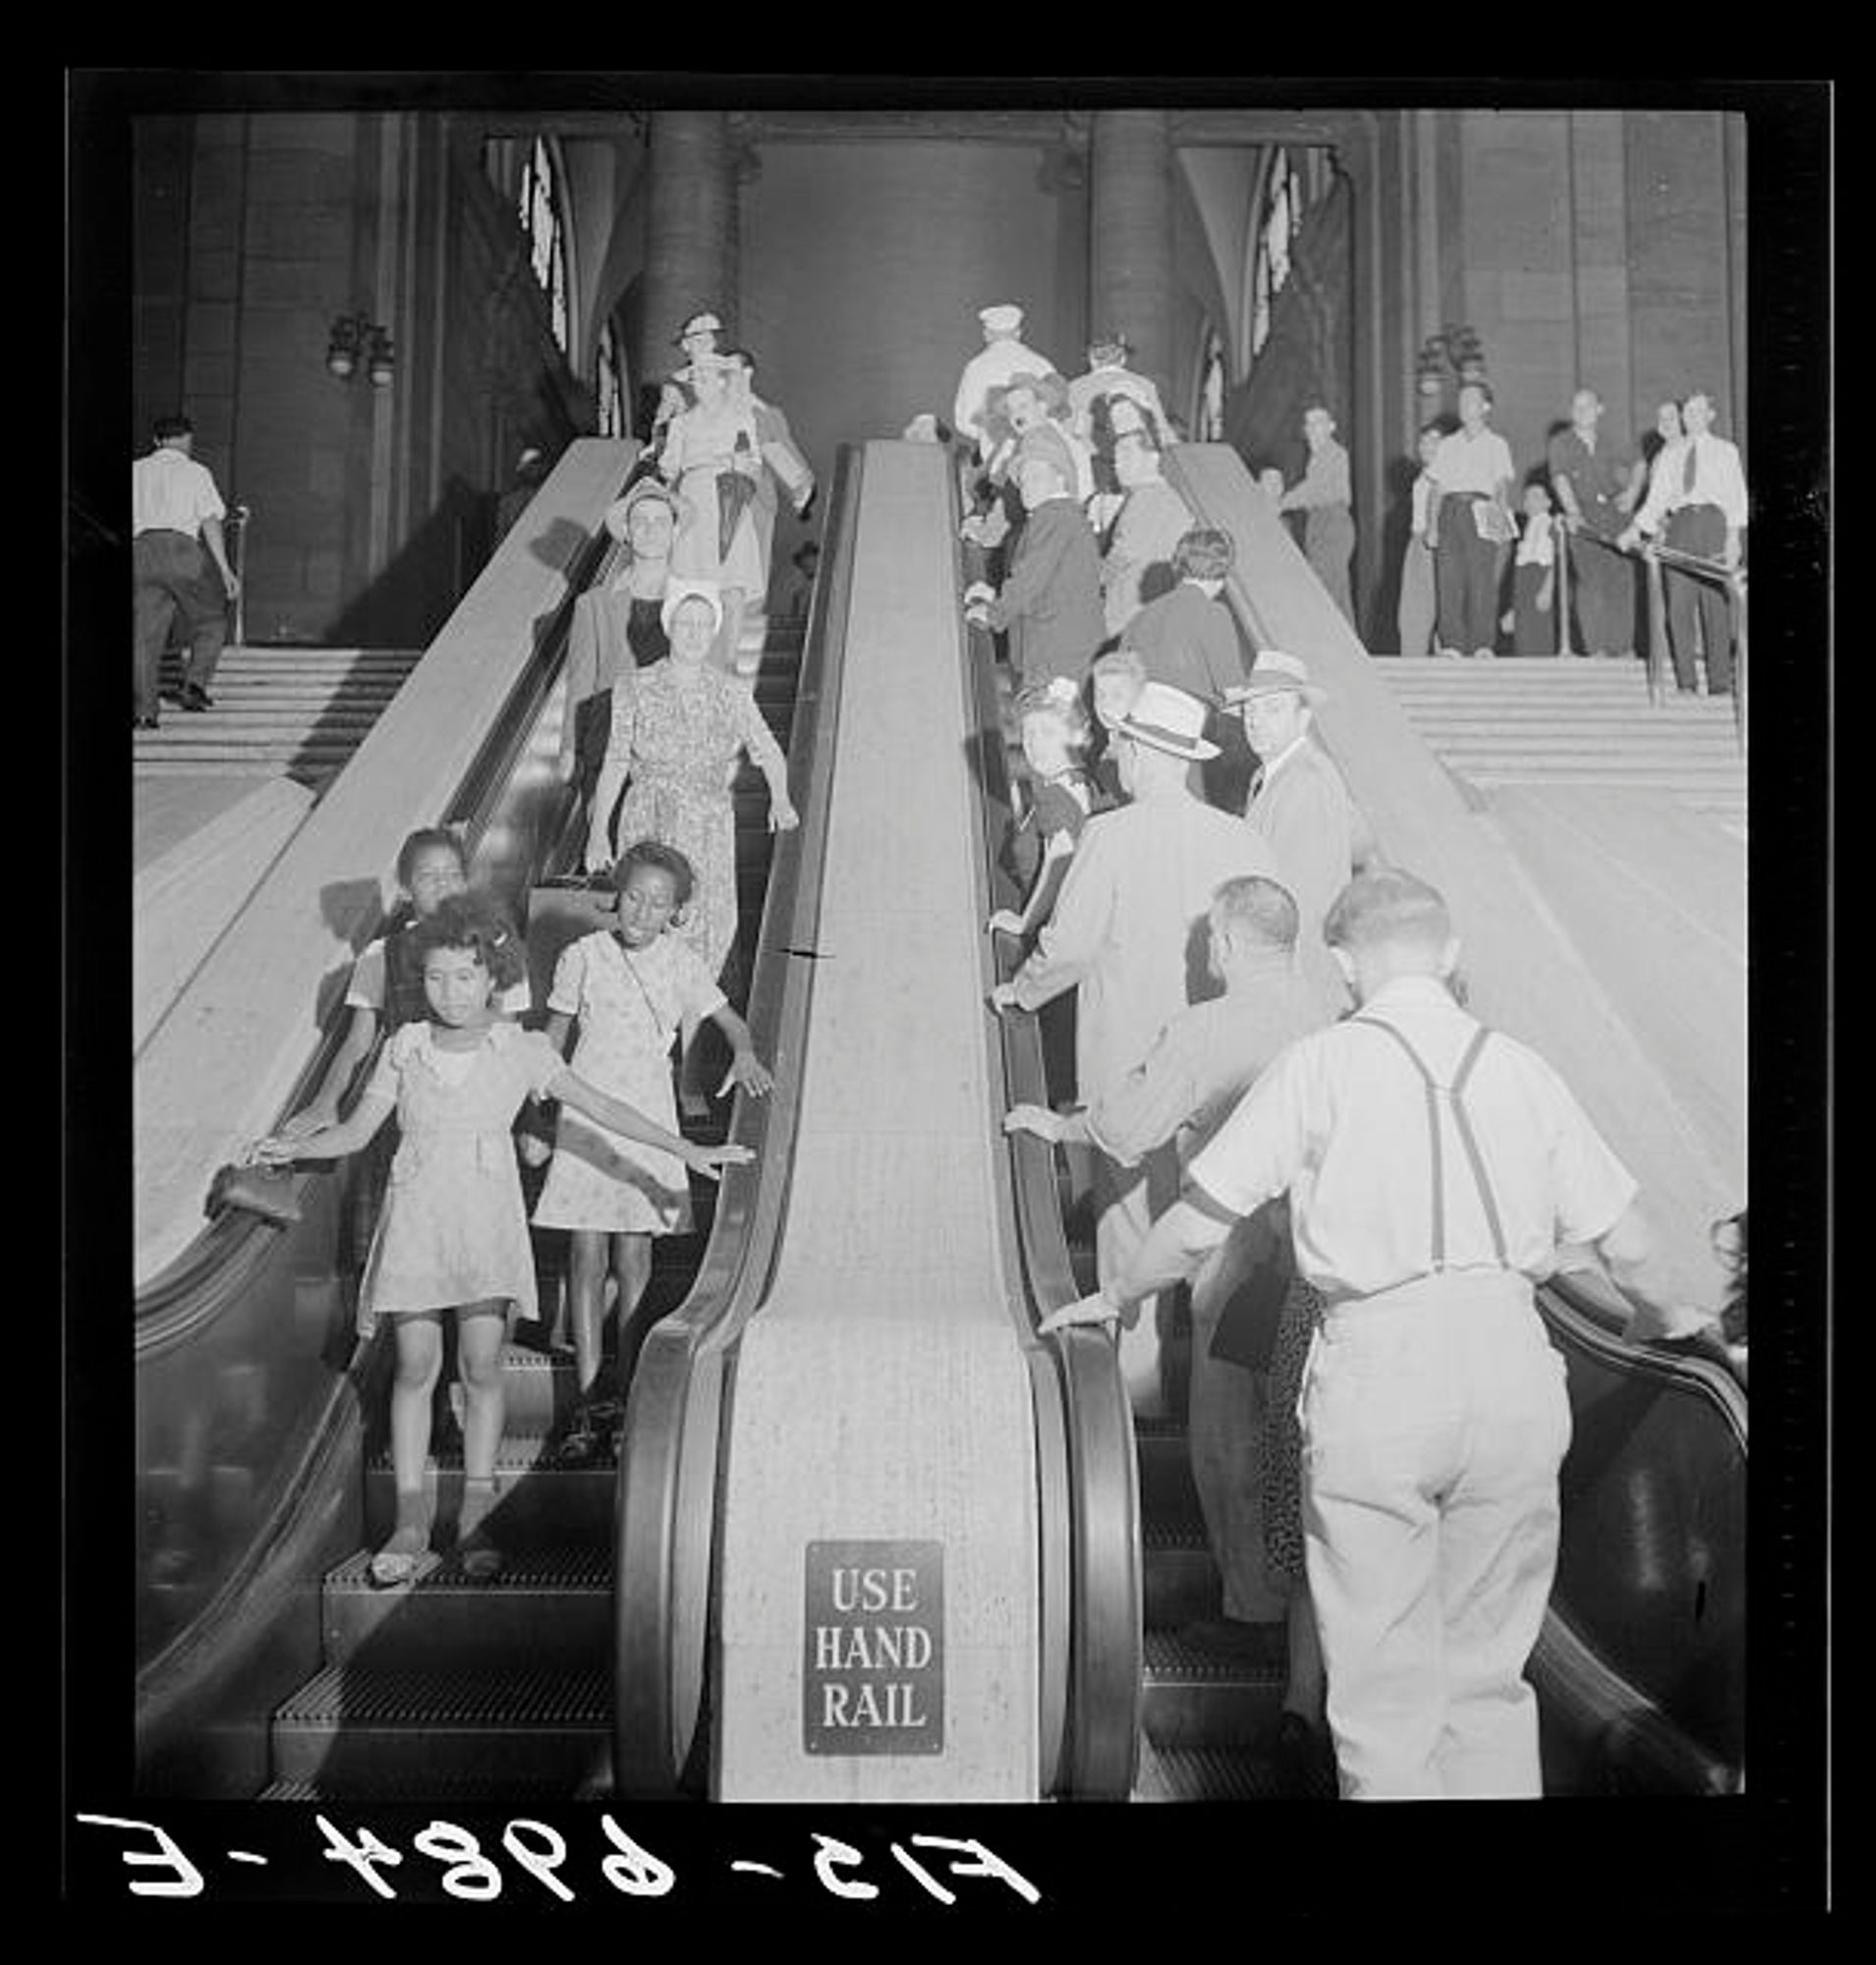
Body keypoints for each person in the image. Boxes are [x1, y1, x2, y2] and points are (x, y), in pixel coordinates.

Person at [1044, 868, 1686, 1799]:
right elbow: (1631, 1249)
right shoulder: (1521, 1067)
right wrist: (1697, 1332)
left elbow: (1192, 1225)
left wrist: (1117, 1298)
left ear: (1340, 965)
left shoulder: (1319, 1065)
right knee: (1485, 1680)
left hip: (1380, 1375)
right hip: (1513, 1373)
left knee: (1382, 1692)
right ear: (1451, 954)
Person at [252, 892, 752, 1587]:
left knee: (482, 1373)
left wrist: (683, 1152)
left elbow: (600, 1106)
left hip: (484, 1222)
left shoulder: (523, 1048)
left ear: (494, 977)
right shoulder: (404, 1046)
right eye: (434, 978)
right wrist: (288, 1151)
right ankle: (411, 1519)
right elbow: (355, 1133)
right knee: (414, 1368)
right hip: (417, 1219)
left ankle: (477, 1515)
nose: (449, 993)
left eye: (464, 977)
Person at [1004, 874, 1325, 1665]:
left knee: (1227, 1435)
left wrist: (1056, 1123)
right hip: (1323, 1265)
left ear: (1224, 945)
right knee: (1303, 1446)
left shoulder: (1205, 1029)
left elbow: (1126, 1130)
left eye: (1207, 939)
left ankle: (1253, 1611)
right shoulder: (1332, 1020)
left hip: (1235, 1254)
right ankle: (1311, 1636)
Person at [988, 682, 1281, 1412]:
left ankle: (1137, 1399)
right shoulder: (1241, 838)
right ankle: (1219, 1399)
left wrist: (1017, 993)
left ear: (1147, 752)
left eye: (1121, 741)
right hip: (1227, 1068)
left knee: (1128, 1233)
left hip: (1127, 1065)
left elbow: (1071, 947)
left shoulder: (1110, 835)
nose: (1111, 752)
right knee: (1217, 1228)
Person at [534, 840, 774, 1460]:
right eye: (634, 897)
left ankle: (628, 1394)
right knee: (585, 1259)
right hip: (587, 1114)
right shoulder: (581, 955)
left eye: (658, 903)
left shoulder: (681, 962)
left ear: (676, 912)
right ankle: (587, 1403)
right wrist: (532, 1108)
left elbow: (731, 1023)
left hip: (646, 1115)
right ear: (617, 896)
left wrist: (744, 1052)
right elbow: (551, 1040)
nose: (642, 912)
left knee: (634, 1260)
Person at [280, 825, 534, 1269]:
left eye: (452, 874)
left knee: (476, 1246)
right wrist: (324, 1103)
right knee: (404, 1245)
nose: (441, 885)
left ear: (467, 881)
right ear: (404, 887)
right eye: (427, 875)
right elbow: (358, 1042)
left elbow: (511, 1040)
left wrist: (531, 1120)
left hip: (476, 1114)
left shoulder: (495, 946)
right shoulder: (383, 954)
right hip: (405, 1113)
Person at [584, 582, 798, 984]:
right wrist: (598, 835)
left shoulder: (730, 691)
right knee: (645, 922)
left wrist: (780, 799)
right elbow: (614, 760)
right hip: (648, 819)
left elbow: (767, 748)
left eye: (704, 625)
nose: (695, 633)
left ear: (715, 630)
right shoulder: (634, 685)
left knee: (704, 929)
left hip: (707, 826)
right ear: (669, 626)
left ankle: (690, 1030)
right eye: (686, 623)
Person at [1227, 650, 1368, 1016]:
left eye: (1272, 708)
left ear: (1303, 717)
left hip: (1297, 982)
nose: (1255, 721)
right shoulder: (1272, 775)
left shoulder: (1306, 780)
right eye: (1250, 710)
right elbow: (1359, 842)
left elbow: (1301, 899)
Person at [560, 480, 693, 823]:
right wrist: (569, 747)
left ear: (675, 531)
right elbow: (581, 681)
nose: (650, 530)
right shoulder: (593, 605)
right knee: (611, 860)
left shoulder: (695, 603)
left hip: (673, 752)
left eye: (660, 521)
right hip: (607, 746)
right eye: (641, 522)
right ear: (627, 533)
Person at [1620, 387, 1747, 697]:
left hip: (1713, 523)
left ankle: (1719, 683)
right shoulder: (1669, 455)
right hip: (1680, 524)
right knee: (1678, 604)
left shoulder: (1725, 450)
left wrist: (1733, 539)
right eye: (1687, 412)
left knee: (1714, 604)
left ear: (1710, 415)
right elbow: (1657, 500)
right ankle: (1686, 681)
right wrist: (1634, 530)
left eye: (1698, 412)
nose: (1692, 418)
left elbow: (1736, 497)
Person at [963, 425, 1105, 694]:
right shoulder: (1059, 517)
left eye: (1036, 476)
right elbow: (1047, 584)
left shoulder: (1055, 515)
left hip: (1057, 657)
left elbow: (1032, 576)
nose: (1027, 486)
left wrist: (994, 613)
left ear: (1061, 479)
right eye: (1023, 480)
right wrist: (995, 596)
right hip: (1060, 652)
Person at [1119, 527, 1254, 804]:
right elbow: (1233, 692)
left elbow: (1120, 679)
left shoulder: (1142, 617)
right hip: (1187, 741)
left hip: (1139, 737)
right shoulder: (1214, 614)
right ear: (1223, 571)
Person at [659, 350, 767, 677]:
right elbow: (669, 468)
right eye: (695, 379)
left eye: (706, 377)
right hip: (694, 501)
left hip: (728, 499)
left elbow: (755, 464)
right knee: (696, 583)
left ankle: (730, 659)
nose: (700, 384)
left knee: (732, 585)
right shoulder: (681, 423)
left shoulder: (740, 418)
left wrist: (738, 464)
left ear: (721, 381)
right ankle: (697, 658)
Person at [133, 413, 240, 726]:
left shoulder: (135, 471)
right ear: (188, 439)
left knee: (144, 637)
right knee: (211, 620)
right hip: (182, 549)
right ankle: (194, 685)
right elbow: (209, 519)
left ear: (156, 441)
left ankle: (144, 713)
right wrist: (224, 569)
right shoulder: (196, 472)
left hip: (142, 550)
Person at [988, 678, 1108, 947]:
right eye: (1029, 734)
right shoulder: (1072, 777)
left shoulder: (1057, 798)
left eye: (1048, 733)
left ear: (1077, 735)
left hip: (1061, 923)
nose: (1035, 744)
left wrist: (1025, 923)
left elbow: (1059, 862)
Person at [720, 346, 817, 621]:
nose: (724, 379)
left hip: (752, 502)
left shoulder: (763, 414)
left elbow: (781, 454)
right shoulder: (711, 411)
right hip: (714, 500)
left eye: (730, 372)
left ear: (747, 373)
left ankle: (741, 630)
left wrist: (800, 490)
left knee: (749, 575)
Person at [1427, 381, 1517, 660]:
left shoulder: (1496, 444)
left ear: (1485, 407)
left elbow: (1501, 485)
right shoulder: (1448, 444)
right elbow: (1437, 489)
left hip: (1482, 509)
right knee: (1449, 579)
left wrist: (1499, 518)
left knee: (1481, 580)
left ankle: (1482, 644)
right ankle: (1452, 643)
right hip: (1451, 511)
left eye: (1471, 401)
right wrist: (1432, 526)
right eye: (1462, 401)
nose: (1464, 406)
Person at [1548, 388, 1636, 660]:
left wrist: (1633, 490)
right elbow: (1560, 477)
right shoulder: (1561, 442)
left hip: (1616, 514)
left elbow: (1640, 464)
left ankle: (1622, 647)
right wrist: (1573, 512)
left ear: (1600, 409)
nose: (1581, 411)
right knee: (1591, 581)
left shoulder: (1615, 440)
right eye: (1576, 406)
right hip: (1585, 515)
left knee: (1621, 581)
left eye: (1587, 405)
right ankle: (1596, 646)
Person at [1099, 423, 1194, 639]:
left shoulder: (1147, 497)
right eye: (1115, 457)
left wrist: (1093, 578)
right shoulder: (1174, 497)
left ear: (1153, 459)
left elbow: (1123, 556)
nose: (1117, 464)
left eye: (1126, 455)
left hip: (1127, 614)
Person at [1278, 406, 1357, 626]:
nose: (1312, 428)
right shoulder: (1317, 457)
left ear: (1331, 427)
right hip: (1320, 521)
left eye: (1318, 422)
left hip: (1332, 521)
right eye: (1308, 424)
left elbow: (1314, 488)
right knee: (1337, 592)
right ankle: (1350, 647)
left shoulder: (1334, 454)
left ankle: (1326, 643)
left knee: (1322, 588)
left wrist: (1281, 503)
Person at [952, 303, 1054, 463]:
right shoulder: (1041, 364)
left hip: (994, 459)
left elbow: (964, 422)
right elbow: (1056, 411)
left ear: (986, 334)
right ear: (1019, 333)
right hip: (1040, 457)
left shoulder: (975, 368)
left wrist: (990, 434)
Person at [1068, 333, 1172, 451]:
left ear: (1092, 359)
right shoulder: (1144, 384)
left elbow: (1067, 431)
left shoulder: (1074, 386)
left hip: (1090, 457)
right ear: (1123, 359)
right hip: (1136, 457)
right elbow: (1164, 432)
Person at [1395, 422, 1445, 658]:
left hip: (1437, 543)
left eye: (1435, 441)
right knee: (1412, 607)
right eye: (1423, 441)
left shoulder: (1448, 476)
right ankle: (1412, 658)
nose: (1427, 446)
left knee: (1438, 604)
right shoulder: (1421, 477)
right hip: (1417, 541)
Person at [1509, 483, 1558, 656]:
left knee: (1540, 638)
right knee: (1522, 642)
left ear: (1548, 503)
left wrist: (1547, 589)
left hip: (1540, 580)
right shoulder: (1527, 529)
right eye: (1527, 498)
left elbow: (1557, 562)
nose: (1530, 502)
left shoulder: (1551, 524)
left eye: (1536, 497)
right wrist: (1513, 609)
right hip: (1524, 586)